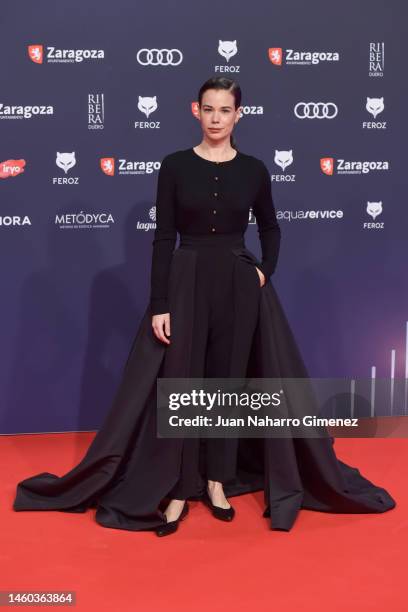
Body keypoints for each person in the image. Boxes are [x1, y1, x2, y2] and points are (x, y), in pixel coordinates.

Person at [13, 77, 396, 537]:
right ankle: (178, 486)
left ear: (239, 115)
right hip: (187, 281)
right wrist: (160, 303)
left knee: (227, 382)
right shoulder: (174, 166)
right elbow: (163, 238)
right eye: (209, 109)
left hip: (237, 283)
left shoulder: (254, 170)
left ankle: (216, 480)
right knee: (185, 384)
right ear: (195, 111)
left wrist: (263, 270)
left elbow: (272, 228)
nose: (216, 118)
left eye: (225, 110)